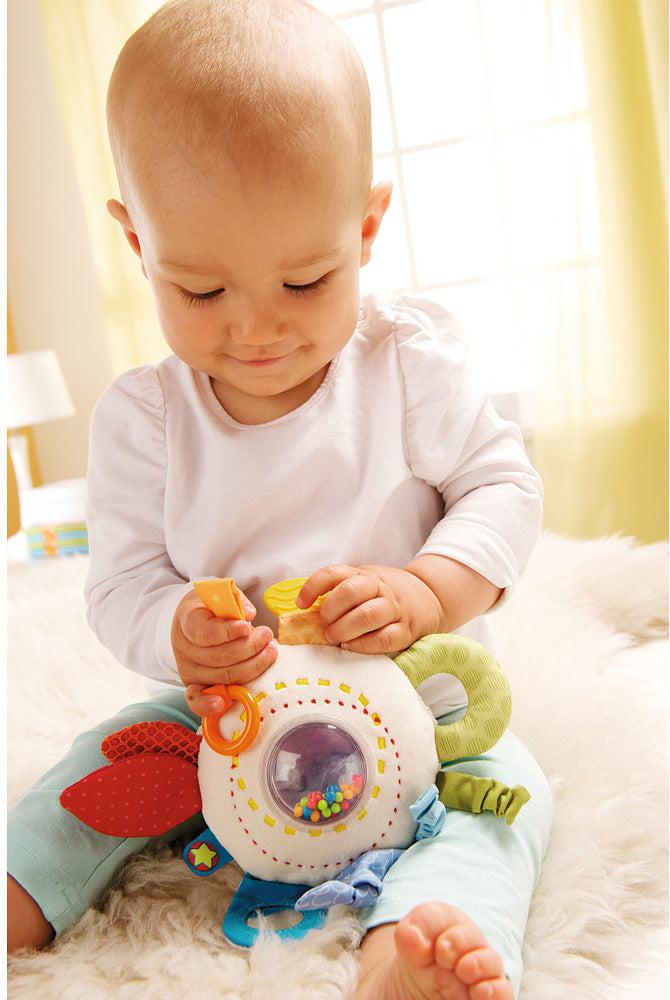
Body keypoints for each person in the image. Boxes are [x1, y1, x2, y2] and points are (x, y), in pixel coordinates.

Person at [7, 2, 552, 997]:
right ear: (138, 246)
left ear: (365, 229)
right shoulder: (147, 419)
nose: (256, 329)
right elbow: (121, 580)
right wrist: (178, 629)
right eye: (202, 292)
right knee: (100, 765)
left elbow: (502, 488)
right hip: (226, 713)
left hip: (416, 702)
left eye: (305, 279)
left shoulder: (405, 366)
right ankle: (22, 888)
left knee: (505, 795)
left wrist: (426, 590)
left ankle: (414, 944)